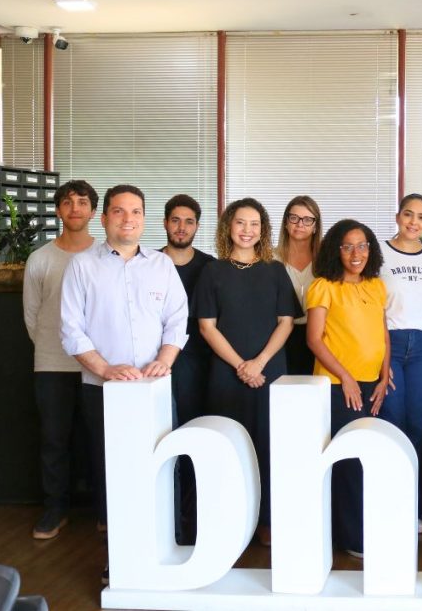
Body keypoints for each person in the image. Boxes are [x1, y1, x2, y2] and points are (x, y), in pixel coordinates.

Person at [60, 184, 188, 584]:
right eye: (118, 211)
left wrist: (165, 359)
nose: (127, 219)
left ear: (144, 219)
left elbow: (177, 320)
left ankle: (167, 550)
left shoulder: (161, 265)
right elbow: (71, 329)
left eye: (135, 212)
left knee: (162, 467)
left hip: (154, 388)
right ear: (104, 219)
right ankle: (120, 560)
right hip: (103, 390)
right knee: (113, 474)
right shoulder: (82, 266)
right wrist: (105, 368)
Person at [195, 198, 296, 547]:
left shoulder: (275, 270)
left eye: (254, 224)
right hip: (226, 372)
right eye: (240, 223)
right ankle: (230, 521)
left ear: (263, 230)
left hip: (270, 372)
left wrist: (259, 362)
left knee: (269, 445)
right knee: (228, 446)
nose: (247, 230)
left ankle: (266, 520)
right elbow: (207, 327)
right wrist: (241, 365)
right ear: (228, 227)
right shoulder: (213, 271)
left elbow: (286, 323)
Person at [306, 219, 393, 557]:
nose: (356, 253)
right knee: (349, 463)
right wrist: (346, 377)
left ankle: (366, 529)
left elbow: (383, 335)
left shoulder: (377, 286)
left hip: (373, 385)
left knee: (370, 459)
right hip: (338, 386)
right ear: (336, 250)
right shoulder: (323, 287)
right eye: (347, 246)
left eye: (362, 245)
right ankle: (352, 538)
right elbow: (314, 340)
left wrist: (384, 377)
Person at [23, 179, 97, 540]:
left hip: (98, 366)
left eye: (82, 202)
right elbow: (32, 315)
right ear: (58, 210)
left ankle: (104, 511)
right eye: (68, 202)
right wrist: (53, 348)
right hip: (52, 363)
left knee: (98, 439)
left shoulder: (105, 256)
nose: (75, 209)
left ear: (94, 212)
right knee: (54, 440)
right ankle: (55, 509)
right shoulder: (40, 259)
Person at [378, 193, 422, 534]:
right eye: (408, 214)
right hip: (388, 343)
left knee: (417, 427)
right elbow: (373, 308)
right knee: (392, 423)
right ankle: (387, 504)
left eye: (421, 217)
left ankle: (411, 506)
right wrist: (381, 357)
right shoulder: (379, 254)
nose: (413, 222)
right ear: (398, 216)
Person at [160, 193, 215, 544]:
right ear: (165, 223)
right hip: (157, 367)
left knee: (194, 440)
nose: (182, 228)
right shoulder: (149, 263)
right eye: (176, 220)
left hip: (199, 367)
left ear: (197, 226)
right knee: (162, 441)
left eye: (189, 221)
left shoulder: (210, 267)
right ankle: (166, 517)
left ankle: (194, 518)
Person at [275, 195, 322, 375]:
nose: (300, 224)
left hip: (319, 336)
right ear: (286, 223)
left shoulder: (326, 260)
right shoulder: (270, 258)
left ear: (315, 226)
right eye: (294, 218)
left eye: (307, 219)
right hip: (279, 336)